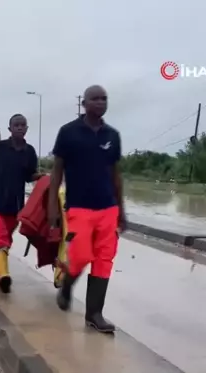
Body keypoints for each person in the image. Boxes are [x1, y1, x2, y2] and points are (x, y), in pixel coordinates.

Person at [47, 85, 126, 334]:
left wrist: (122, 210)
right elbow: (57, 171)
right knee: (80, 256)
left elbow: (116, 174)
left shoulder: (112, 135)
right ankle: (67, 286)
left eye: (104, 98)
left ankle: (94, 314)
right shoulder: (68, 133)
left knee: (104, 260)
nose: (101, 102)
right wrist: (52, 207)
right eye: (95, 99)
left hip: (108, 209)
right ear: (84, 103)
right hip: (79, 208)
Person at [0, 115, 40, 293]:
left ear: (27, 128)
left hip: (13, 206)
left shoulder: (30, 152)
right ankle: (4, 276)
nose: (20, 128)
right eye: (16, 125)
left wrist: (43, 178)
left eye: (22, 125)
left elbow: (30, 175)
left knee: (5, 240)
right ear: (10, 129)